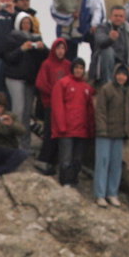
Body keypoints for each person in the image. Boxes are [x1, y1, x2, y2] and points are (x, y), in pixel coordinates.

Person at [50, 59, 94, 188]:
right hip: (67, 129)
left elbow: (90, 109)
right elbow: (57, 106)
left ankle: (73, 181)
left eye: (81, 68)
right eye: (76, 67)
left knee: (78, 159)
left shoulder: (87, 88)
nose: (78, 70)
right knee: (66, 159)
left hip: (82, 130)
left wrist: (90, 129)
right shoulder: (63, 83)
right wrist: (61, 126)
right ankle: (65, 182)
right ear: (72, 68)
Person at [92, 63, 129, 207]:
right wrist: (101, 129)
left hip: (119, 134)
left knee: (116, 165)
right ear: (115, 74)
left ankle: (112, 193)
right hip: (105, 133)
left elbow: (128, 113)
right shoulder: (106, 89)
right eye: (119, 74)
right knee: (102, 163)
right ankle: (99, 194)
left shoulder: (128, 91)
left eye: (124, 74)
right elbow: (100, 110)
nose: (121, 77)